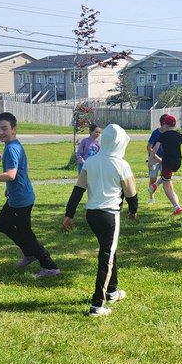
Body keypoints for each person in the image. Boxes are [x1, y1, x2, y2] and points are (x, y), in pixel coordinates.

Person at [63, 123, 139, 316]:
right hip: (110, 215)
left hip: (92, 215)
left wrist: (69, 215)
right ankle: (98, 304)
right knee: (106, 256)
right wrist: (133, 211)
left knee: (110, 251)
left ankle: (112, 290)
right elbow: (131, 194)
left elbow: (77, 190)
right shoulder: (122, 164)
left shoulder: (91, 162)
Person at [0, 112, 60, 277]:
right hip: (17, 195)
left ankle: (50, 267)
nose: (0, 132)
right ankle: (29, 253)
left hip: (21, 199)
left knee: (26, 235)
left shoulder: (12, 148)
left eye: (4, 128)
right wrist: (9, 187)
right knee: (3, 223)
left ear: (14, 129)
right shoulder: (14, 145)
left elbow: (11, 174)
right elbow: (23, 168)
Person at [145, 114, 173, 204]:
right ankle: (151, 198)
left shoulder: (169, 133)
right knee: (153, 178)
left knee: (168, 178)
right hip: (154, 158)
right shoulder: (156, 133)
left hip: (165, 159)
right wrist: (157, 159)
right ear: (163, 123)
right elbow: (149, 147)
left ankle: (172, 197)